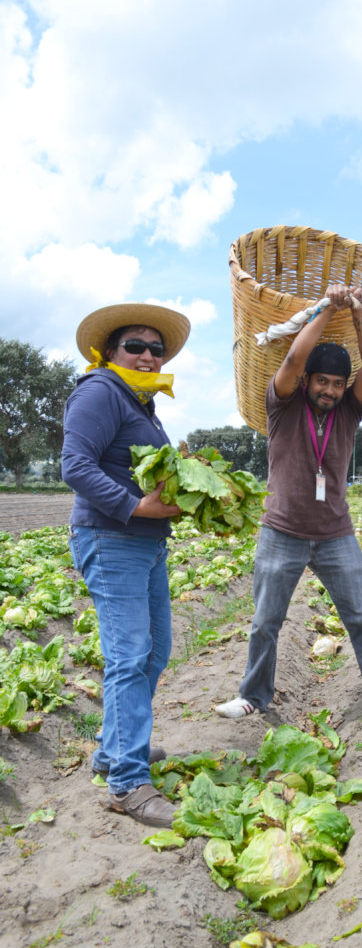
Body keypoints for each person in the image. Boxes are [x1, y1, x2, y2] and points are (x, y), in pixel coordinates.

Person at [216, 283, 362, 725]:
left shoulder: (348, 410)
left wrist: (359, 312)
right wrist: (326, 307)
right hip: (281, 530)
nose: (329, 390)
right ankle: (253, 696)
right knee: (266, 622)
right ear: (308, 381)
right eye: (322, 381)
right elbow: (289, 360)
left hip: (334, 534)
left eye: (337, 383)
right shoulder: (282, 404)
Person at [62, 302, 191, 828]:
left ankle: (114, 751)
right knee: (129, 655)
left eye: (155, 348)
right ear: (109, 352)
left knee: (154, 650)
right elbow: (75, 465)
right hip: (110, 536)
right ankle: (128, 785)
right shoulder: (101, 391)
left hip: (145, 543)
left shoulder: (141, 404)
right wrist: (135, 505)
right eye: (134, 346)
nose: (146, 355)